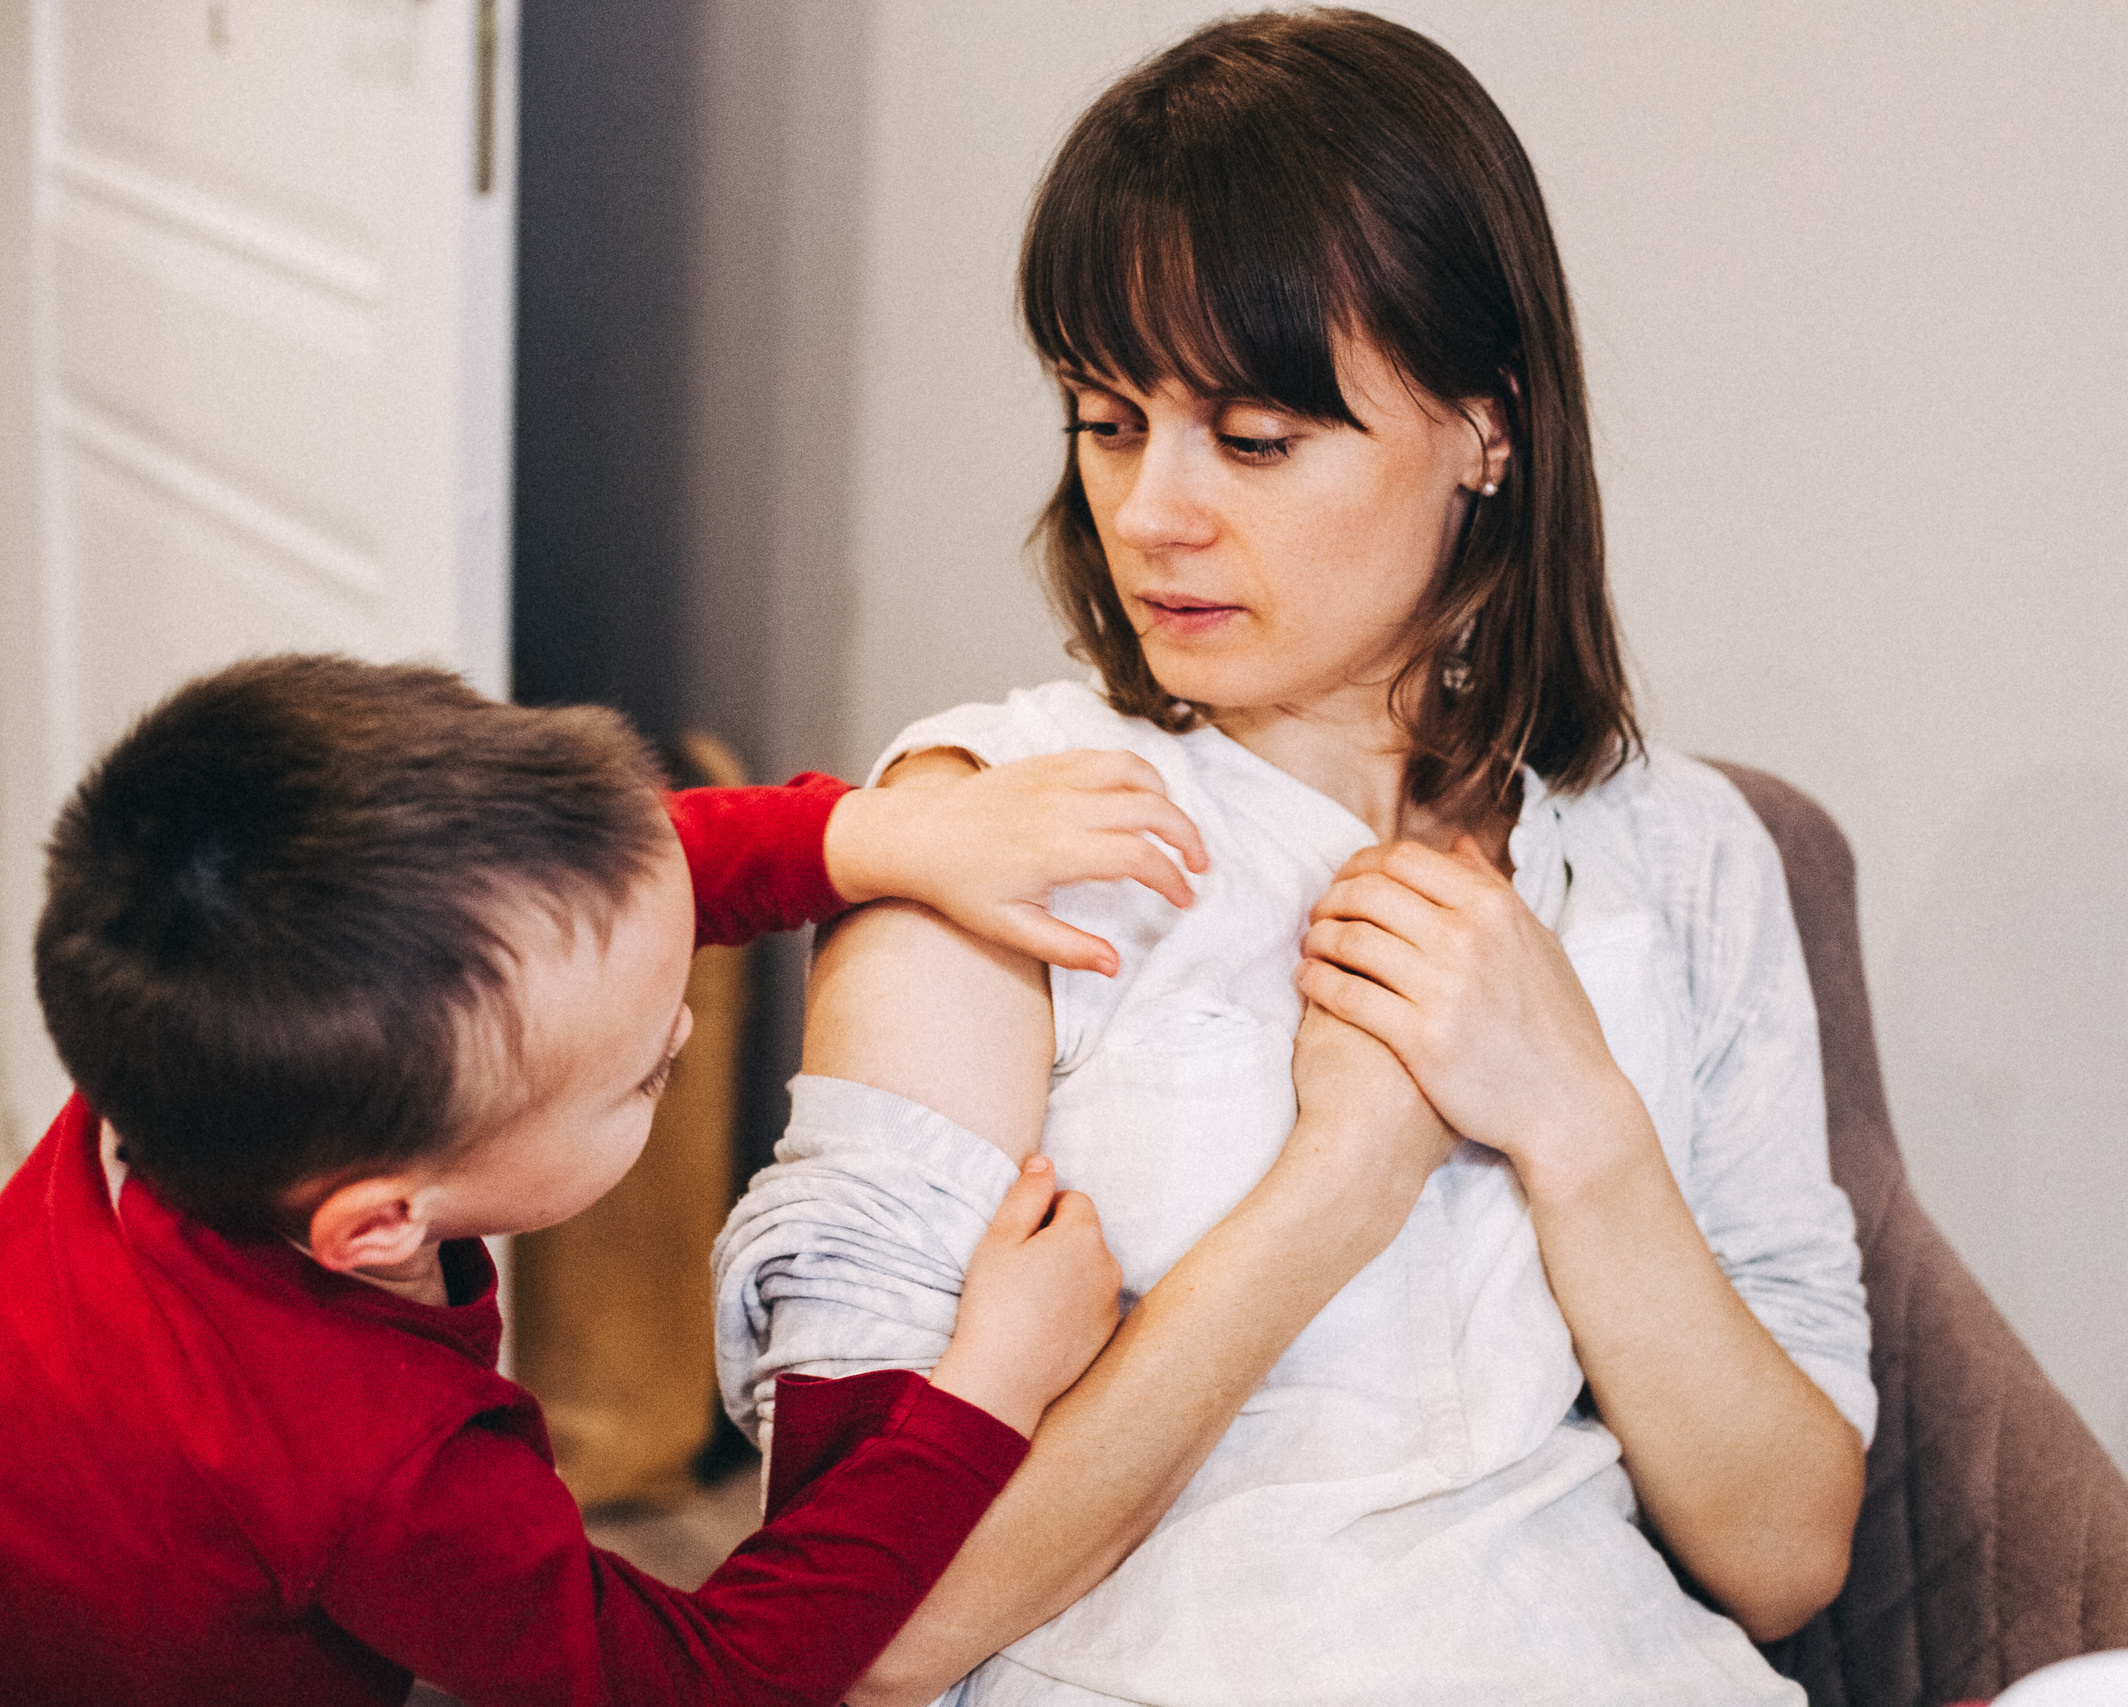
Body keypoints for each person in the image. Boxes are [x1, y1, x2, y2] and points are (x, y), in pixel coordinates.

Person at [714, 11, 1874, 1705]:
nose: (1152, 514)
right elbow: (854, 1632)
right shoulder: (993, 828)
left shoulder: (1680, 856)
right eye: (1107, 420)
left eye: (1253, 437)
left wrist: (1577, 1119)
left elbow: (1785, 1552)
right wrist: (1339, 1182)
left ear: (1488, 428)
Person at [0, 653, 1215, 1706]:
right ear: (381, 1223)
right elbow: (702, 1681)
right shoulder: (383, 1475)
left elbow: (619, 893)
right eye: (642, 1078)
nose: (679, 1025)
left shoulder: (201, 1066)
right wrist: (988, 1385)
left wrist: (871, 838)